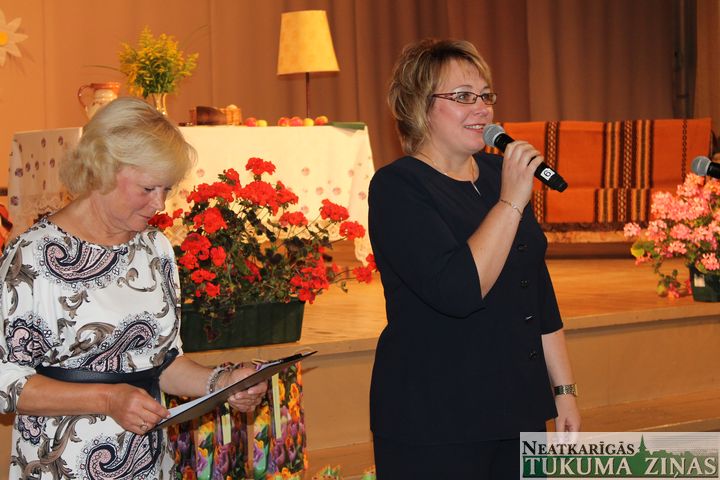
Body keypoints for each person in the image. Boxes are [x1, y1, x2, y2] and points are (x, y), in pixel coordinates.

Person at [0, 97, 267, 478]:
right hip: (62, 465)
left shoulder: (154, 248)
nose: (160, 204)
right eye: (148, 188)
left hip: (148, 462)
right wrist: (108, 398)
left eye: (166, 189)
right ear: (103, 170)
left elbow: (163, 363)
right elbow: (6, 381)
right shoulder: (33, 255)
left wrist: (222, 382)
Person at [368, 38, 581, 478]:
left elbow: (537, 291)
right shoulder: (398, 187)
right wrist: (511, 201)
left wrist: (564, 391)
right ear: (419, 106)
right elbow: (459, 289)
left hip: (517, 407)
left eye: (486, 96)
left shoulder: (499, 175)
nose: (482, 108)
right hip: (436, 419)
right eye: (464, 96)